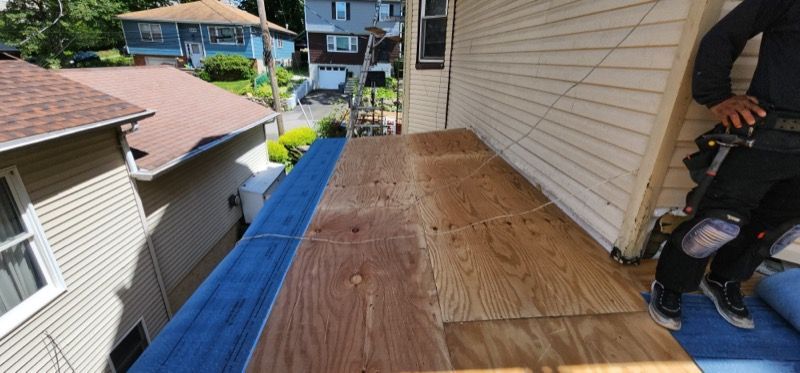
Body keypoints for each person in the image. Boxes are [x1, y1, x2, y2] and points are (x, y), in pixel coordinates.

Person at [649, 0, 800, 331]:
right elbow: (726, 34)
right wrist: (716, 95)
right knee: (720, 222)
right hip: (766, 136)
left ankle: (723, 280)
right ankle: (672, 283)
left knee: (777, 227)